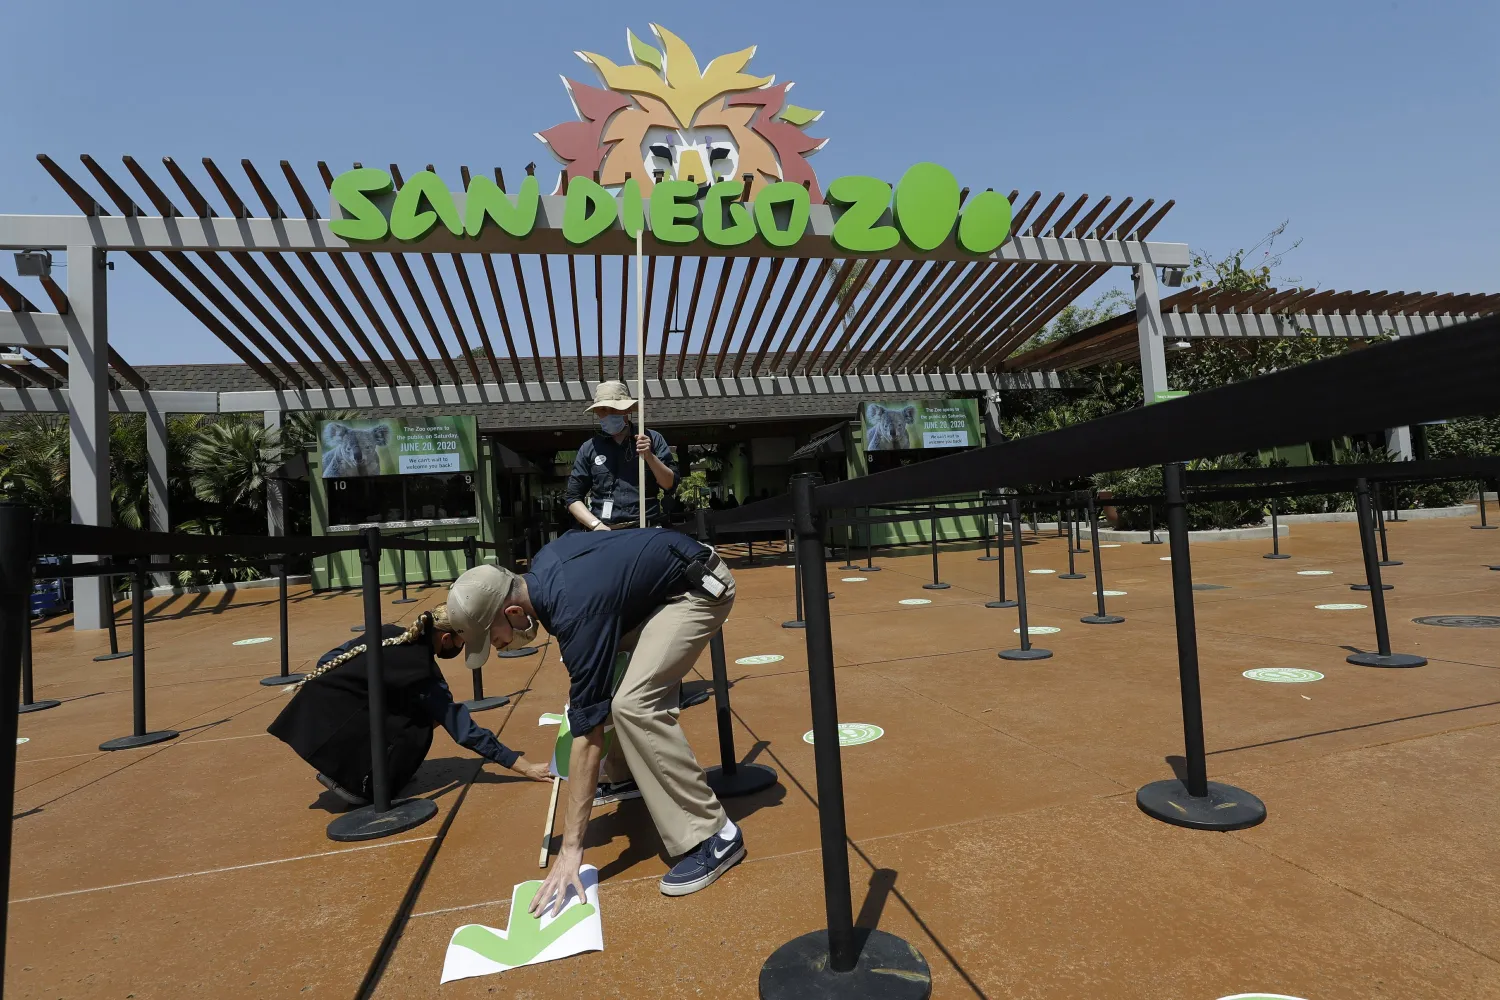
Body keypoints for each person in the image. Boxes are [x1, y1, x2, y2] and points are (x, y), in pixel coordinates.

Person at [442, 532, 741, 913]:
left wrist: (571, 849)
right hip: (662, 590)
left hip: (699, 589)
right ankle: (624, 774)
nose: (497, 649)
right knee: (597, 686)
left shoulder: (574, 613)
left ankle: (716, 834)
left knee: (634, 704)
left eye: (492, 639)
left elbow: (588, 737)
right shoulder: (544, 567)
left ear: (514, 613)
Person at [267, 605, 551, 806]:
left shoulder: (389, 632)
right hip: (339, 736)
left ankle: (345, 763)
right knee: (425, 720)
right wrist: (525, 767)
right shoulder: (423, 673)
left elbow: (328, 660)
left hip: (313, 720)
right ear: (446, 638)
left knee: (406, 706)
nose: (461, 649)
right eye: (462, 643)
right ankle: (364, 784)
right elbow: (464, 730)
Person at [566, 380, 678, 531]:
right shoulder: (589, 448)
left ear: (627, 410)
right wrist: (596, 525)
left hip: (646, 529)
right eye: (602, 409)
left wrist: (649, 456)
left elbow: (669, 484)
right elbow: (573, 497)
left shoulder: (651, 438)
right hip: (605, 532)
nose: (608, 414)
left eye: (613, 409)